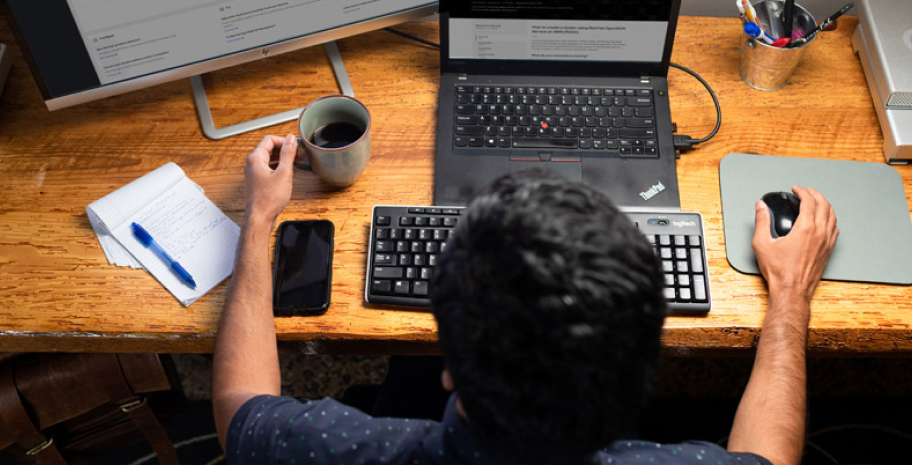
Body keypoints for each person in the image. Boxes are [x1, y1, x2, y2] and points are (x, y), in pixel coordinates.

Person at [213, 134, 839, 465]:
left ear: (450, 369)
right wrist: (789, 296)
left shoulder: (334, 447)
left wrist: (261, 220)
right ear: (645, 370)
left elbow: (238, 408)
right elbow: (770, 456)